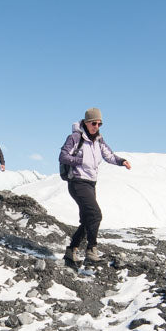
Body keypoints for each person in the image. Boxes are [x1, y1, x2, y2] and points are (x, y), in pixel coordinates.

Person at [58, 107, 131, 263]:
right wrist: (81, 161)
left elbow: (109, 155)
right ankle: (91, 250)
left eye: (99, 124)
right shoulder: (75, 138)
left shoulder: (98, 140)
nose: (96, 127)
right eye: (93, 123)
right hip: (77, 182)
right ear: (86, 123)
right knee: (96, 215)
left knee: (87, 220)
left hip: (91, 184)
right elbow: (63, 156)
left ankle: (71, 251)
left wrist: (121, 161)